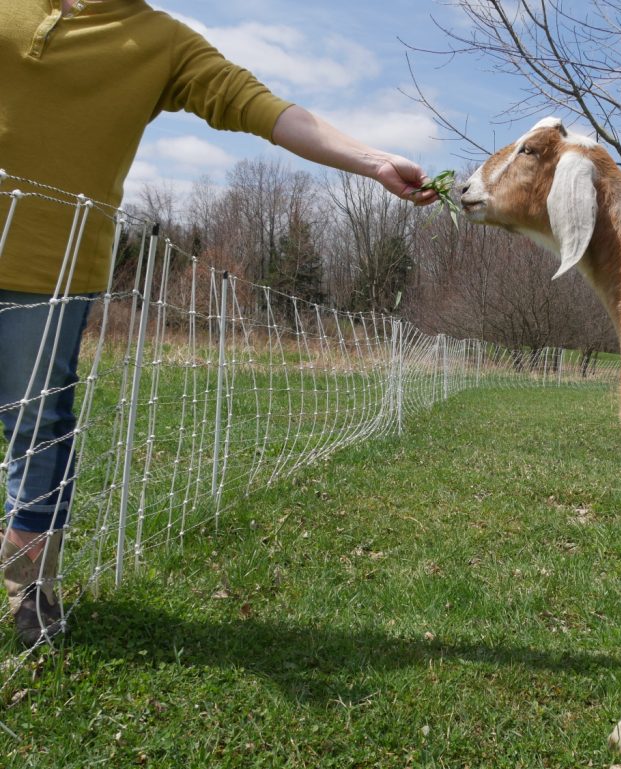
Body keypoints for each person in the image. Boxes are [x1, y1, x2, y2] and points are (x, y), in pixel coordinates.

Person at [0, 0, 438, 646]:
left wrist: (371, 160)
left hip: (49, 266)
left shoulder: (160, 41)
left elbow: (265, 108)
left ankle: (27, 585)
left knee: (36, 424)